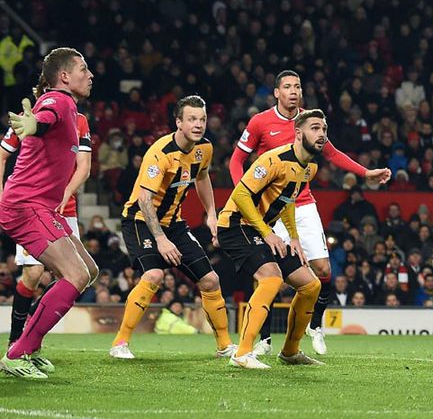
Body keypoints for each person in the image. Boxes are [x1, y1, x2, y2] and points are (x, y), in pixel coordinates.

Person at [229, 70, 390, 357]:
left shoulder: (311, 124)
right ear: (277, 92)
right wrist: (247, 196)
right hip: (270, 207)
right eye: (287, 86)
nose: (293, 91)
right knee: (269, 273)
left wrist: (365, 173)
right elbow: (237, 160)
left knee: (322, 271)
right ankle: (263, 340)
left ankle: (314, 328)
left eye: (298, 86)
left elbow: (333, 154)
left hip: (299, 203)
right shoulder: (260, 122)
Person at [0, 48, 99, 379]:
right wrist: (34, 124)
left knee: (89, 269)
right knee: (76, 275)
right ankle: (19, 352)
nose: (91, 74)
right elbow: (45, 118)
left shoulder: (73, 111)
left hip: (42, 206)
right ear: (65, 76)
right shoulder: (60, 100)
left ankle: (30, 344)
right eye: (83, 69)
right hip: (26, 206)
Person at [111, 95, 235, 359]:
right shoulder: (161, 152)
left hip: (174, 223)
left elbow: (202, 178)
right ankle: (119, 343)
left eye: (201, 119)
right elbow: (145, 199)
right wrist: (160, 239)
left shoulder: (205, 149)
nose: (198, 124)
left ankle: (225, 346)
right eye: (192, 119)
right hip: (140, 221)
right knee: (154, 275)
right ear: (178, 122)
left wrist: (211, 213)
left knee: (211, 279)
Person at [218, 109, 329, 369]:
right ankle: (242, 354)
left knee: (311, 285)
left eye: (324, 129)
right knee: (271, 277)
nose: (321, 134)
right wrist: (268, 233)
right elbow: (242, 197)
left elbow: (288, 200)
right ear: (299, 133)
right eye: (315, 128)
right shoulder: (272, 160)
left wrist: (293, 237)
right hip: (235, 225)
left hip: (262, 228)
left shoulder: (309, 167)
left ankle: (290, 352)